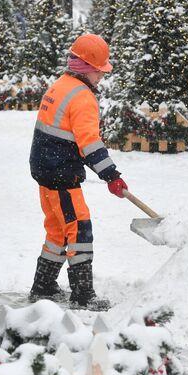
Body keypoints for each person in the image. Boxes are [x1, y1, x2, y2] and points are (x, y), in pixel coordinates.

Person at [28, 33, 127, 311]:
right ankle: (83, 294)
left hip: (45, 171)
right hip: (61, 175)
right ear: (87, 68)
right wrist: (112, 176)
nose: (101, 78)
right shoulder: (82, 98)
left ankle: (43, 285)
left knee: (58, 229)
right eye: (100, 72)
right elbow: (90, 144)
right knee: (79, 228)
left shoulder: (60, 86)